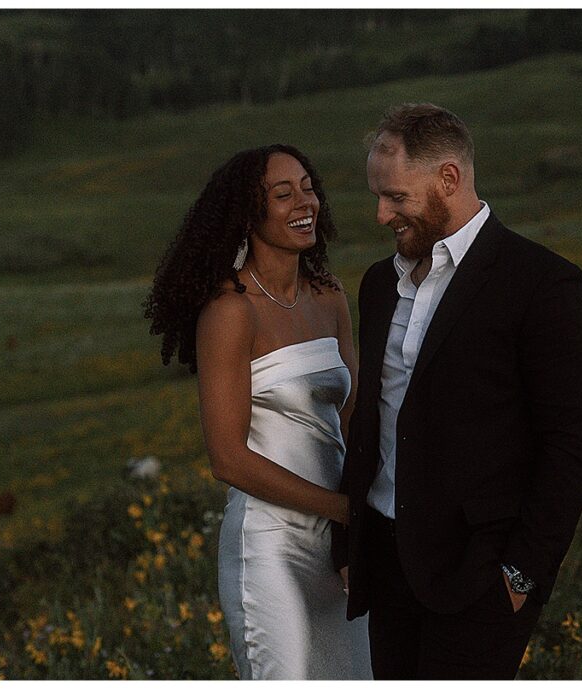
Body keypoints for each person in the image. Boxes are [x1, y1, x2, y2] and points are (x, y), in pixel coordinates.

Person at [332, 103, 582, 679]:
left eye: (396, 198)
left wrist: (521, 574)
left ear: (448, 179)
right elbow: (373, 420)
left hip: (481, 576)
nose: (381, 215)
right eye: (378, 196)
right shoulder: (380, 284)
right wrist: (348, 542)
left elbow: (573, 445)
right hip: (386, 561)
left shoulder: (544, 284)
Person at [144, 144, 372, 680]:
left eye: (308, 187)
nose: (305, 202)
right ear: (248, 213)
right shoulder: (229, 311)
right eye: (283, 193)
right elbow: (228, 459)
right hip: (271, 548)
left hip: (338, 543)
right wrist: (344, 510)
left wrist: (354, 529)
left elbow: (352, 421)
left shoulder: (330, 296)